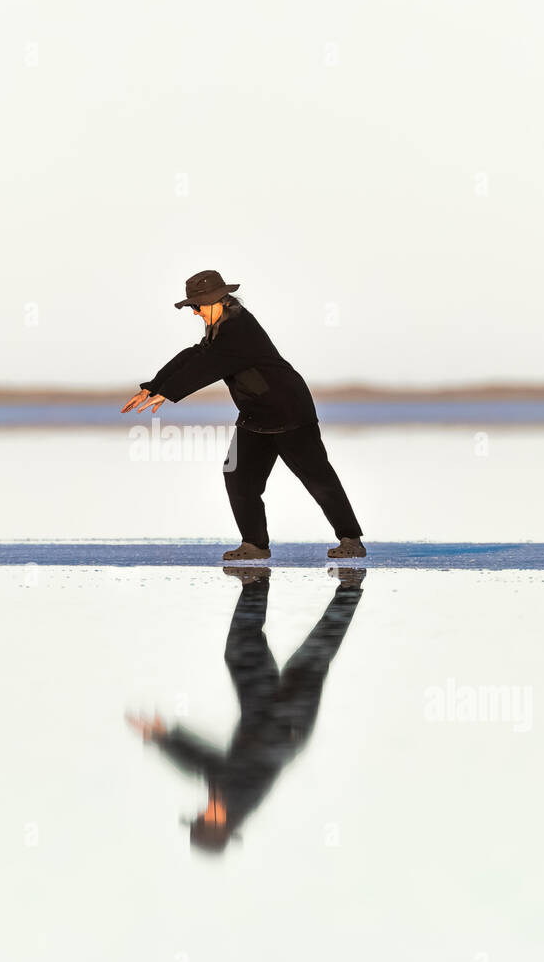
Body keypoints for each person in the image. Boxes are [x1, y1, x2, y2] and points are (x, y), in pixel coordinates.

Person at [121, 269, 365, 560]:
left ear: (218, 301)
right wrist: (152, 387)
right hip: (255, 416)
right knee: (237, 476)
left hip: (290, 412)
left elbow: (208, 365)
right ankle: (254, 544)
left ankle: (351, 539)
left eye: (197, 306)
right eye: (192, 308)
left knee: (317, 478)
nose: (195, 313)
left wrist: (168, 392)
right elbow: (196, 355)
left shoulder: (239, 329)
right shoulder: (220, 328)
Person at [126, 565, 365, 853]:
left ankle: (256, 583)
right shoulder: (238, 799)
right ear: (218, 824)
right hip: (287, 723)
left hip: (264, 718)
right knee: (309, 661)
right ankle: (347, 587)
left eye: (199, 817)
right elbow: (208, 765)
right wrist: (164, 739)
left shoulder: (228, 798)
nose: (201, 812)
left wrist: (163, 738)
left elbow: (206, 767)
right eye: (202, 819)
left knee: (243, 651)